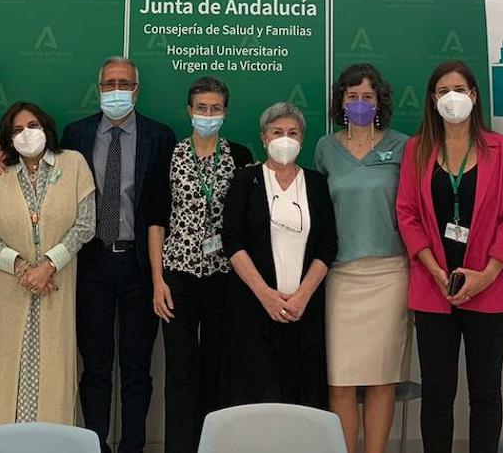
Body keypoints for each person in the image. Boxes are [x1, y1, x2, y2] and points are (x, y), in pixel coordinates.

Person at [395, 60, 503, 453]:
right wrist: (435, 270)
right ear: (432, 100)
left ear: (474, 96)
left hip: (489, 289)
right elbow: (407, 213)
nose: (453, 98)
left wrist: (485, 275)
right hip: (434, 288)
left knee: (485, 392)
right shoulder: (416, 149)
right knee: (437, 394)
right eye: (443, 91)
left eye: (460, 90)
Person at [62, 57, 175, 453]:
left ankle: (132, 446)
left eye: (123, 83)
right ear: (99, 89)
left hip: (140, 265)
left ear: (136, 91)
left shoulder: (160, 137)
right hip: (91, 262)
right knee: (94, 366)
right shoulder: (75, 135)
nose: (116, 90)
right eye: (109, 83)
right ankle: (95, 444)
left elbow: (164, 208)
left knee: (136, 367)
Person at [0, 101, 95, 426]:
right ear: (8, 139)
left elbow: (85, 225)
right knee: (3, 370)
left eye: (33, 126)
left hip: (55, 287)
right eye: (17, 129)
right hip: (7, 291)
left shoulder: (74, 165)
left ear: (47, 128)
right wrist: (24, 269)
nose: (26, 134)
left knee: (53, 368)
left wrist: (48, 266)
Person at [149, 77, 254, 453]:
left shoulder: (240, 156)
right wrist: (158, 280)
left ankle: (213, 446)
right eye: (201, 108)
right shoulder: (169, 155)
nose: (208, 115)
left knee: (216, 370)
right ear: (188, 111)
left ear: (225, 112)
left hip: (224, 279)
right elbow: (157, 220)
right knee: (180, 373)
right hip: (177, 276)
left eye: (215, 108)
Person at [314, 64, 410, 453]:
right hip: (340, 275)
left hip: (389, 273)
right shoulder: (326, 148)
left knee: (382, 378)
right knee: (340, 380)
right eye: (351, 97)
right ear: (341, 101)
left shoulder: (403, 146)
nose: (359, 103)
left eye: (366, 97)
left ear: (379, 101)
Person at [220, 102, 337, 408]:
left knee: (301, 397)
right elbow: (232, 240)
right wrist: (265, 295)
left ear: (302, 139)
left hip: (304, 310)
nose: (285, 139)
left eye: (293, 132)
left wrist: (301, 297)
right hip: (253, 308)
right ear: (263, 138)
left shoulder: (316, 183)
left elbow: (328, 244)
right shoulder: (245, 180)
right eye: (277, 132)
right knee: (256, 396)